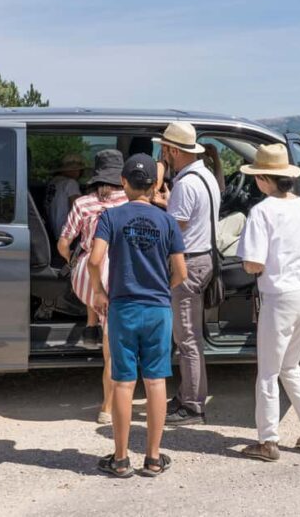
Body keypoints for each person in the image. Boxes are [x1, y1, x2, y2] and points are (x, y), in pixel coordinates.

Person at [89, 153, 187, 477]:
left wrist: (100, 293)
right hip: (158, 309)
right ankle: (154, 458)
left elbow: (94, 260)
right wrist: (162, 286)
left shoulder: (111, 217)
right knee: (156, 381)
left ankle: (120, 460)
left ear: (124, 183)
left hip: (123, 308)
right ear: (155, 185)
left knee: (122, 383)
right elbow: (182, 272)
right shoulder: (167, 220)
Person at [236, 143, 300, 462]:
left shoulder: (262, 211)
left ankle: (268, 441)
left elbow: (252, 263)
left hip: (281, 296)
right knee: (290, 364)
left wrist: (263, 264)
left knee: (268, 371)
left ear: (264, 179)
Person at [154, 122, 221, 425]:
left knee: (187, 338)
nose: (162, 153)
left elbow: (176, 228)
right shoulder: (204, 175)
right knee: (190, 335)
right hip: (204, 258)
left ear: (172, 150)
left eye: (164, 148)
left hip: (188, 264)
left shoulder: (185, 183)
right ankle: (186, 395)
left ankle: (192, 405)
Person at [57, 149, 128, 424]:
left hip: (87, 275)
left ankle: (91, 322)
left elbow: (63, 243)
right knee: (111, 350)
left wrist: (73, 260)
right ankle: (106, 409)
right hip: (119, 273)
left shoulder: (83, 203)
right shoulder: (131, 203)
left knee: (91, 273)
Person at [44, 154, 84, 239]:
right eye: (76, 169)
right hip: (67, 233)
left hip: (54, 231)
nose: (78, 172)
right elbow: (77, 209)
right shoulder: (71, 183)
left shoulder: (53, 182)